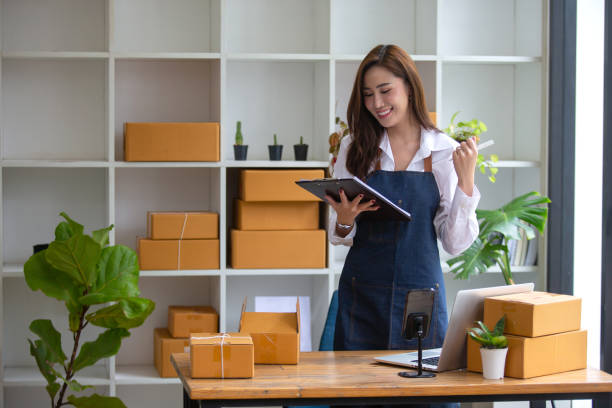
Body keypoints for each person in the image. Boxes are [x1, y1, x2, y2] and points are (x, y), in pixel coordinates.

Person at [326, 44, 480, 390]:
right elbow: (339, 235)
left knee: (423, 394)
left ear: (409, 86)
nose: (377, 104)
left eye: (385, 91)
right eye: (368, 95)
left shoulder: (442, 151)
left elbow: (455, 244)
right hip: (361, 297)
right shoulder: (355, 147)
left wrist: (466, 182)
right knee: (357, 394)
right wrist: (345, 219)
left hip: (419, 303)